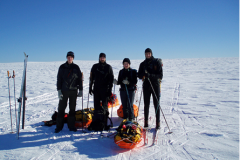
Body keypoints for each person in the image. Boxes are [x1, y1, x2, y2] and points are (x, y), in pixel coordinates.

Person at [55, 51, 83, 133]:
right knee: (61, 109)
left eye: (71, 57)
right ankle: (59, 127)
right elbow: (59, 79)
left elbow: (79, 79)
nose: (70, 58)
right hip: (64, 91)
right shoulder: (62, 67)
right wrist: (59, 91)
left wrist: (80, 90)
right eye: (68, 57)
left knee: (72, 109)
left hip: (73, 91)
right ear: (67, 58)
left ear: (73, 58)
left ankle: (71, 126)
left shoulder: (76, 67)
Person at [138, 48, 163, 129]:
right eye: (146, 54)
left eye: (149, 53)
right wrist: (143, 75)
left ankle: (158, 123)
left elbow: (160, 75)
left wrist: (150, 76)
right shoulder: (142, 64)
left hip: (155, 85)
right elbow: (139, 75)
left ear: (151, 53)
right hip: (146, 86)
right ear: (145, 54)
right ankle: (146, 123)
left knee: (156, 104)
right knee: (146, 105)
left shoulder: (157, 62)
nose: (148, 55)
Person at [88, 53, 114, 131]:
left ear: (105, 58)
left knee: (105, 106)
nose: (102, 59)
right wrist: (90, 87)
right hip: (96, 88)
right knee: (96, 106)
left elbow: (111, 79)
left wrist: (109, 90)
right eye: (101, 57)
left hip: (105, 89)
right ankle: (96, 121)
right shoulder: (95, 66)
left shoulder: (108, 67)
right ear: (99, 58)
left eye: (103, 57)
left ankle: (104, 122)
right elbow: (91, 78)